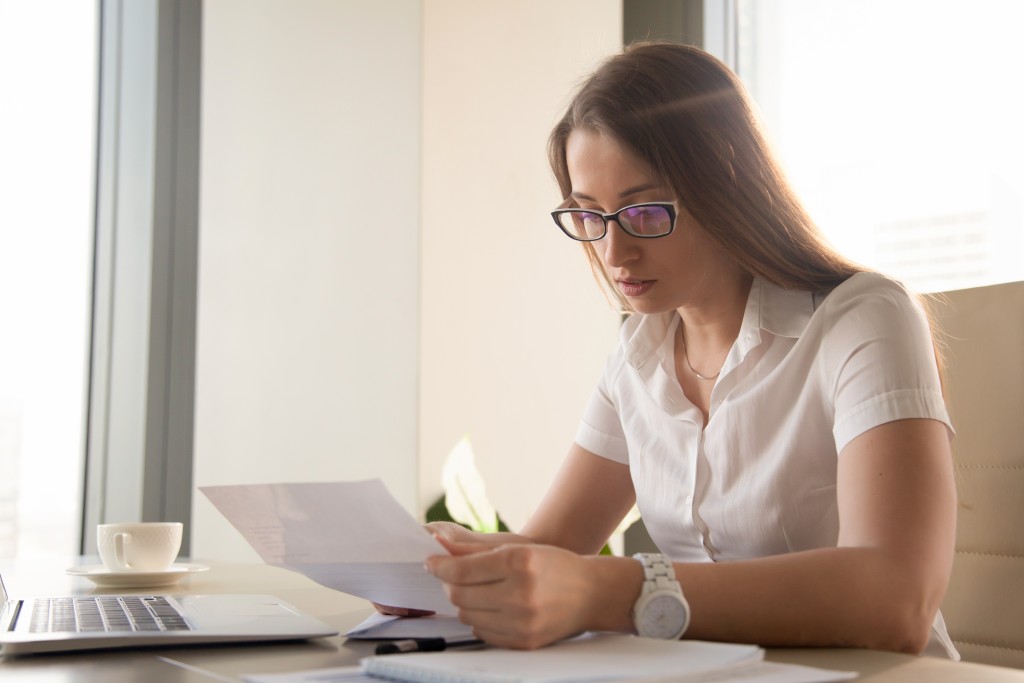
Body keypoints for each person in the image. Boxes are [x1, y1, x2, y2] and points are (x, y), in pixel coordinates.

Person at [399, 42, 959, 657]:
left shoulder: (863, 319)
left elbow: (896, 601)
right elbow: (553, 549)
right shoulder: (640, 353)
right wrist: (438, 570)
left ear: (726, 182)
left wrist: (620, 588)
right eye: (589, 216)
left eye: (643, 212)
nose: (614, 253)